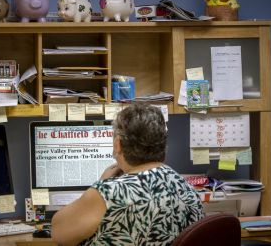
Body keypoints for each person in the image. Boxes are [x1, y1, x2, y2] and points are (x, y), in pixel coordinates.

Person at [51, 103, 204, 246]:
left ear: (118, 144)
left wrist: (100, 184)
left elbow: (59, 233)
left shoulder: (109, 193)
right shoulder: (186, 187)